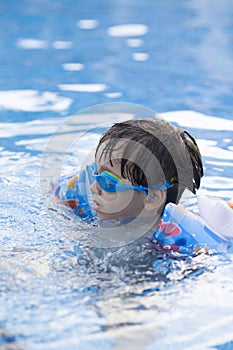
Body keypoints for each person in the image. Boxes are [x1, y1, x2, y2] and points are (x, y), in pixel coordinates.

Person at [50, 119, 233, 255]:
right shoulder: (94, 212)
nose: (92, 187)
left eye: (108, 182)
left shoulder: (173, 245)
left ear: (152, 198)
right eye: (95, 173)